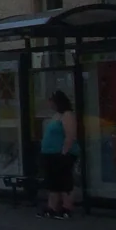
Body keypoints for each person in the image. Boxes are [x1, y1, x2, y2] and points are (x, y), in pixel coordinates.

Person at [39, 89, 78, 219]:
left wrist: (64, 152)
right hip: (50, 154)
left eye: (51, 101)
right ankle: (52, 207)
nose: (49, 104)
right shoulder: (55, 116)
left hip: (61, 154)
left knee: (64, 182)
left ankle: (66, 207)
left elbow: (70, 135)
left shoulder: (67, 115)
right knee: (53, 182)